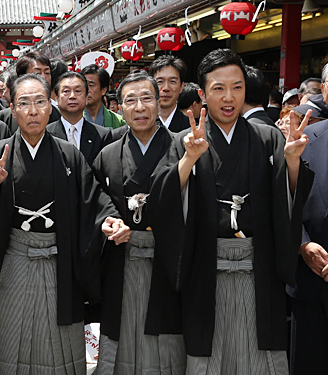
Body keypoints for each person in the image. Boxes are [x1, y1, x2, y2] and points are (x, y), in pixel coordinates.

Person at [149, 48, 313, 374]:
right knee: (207, 358)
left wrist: (292, 160)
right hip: (205, 267)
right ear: (202, 94)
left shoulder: (267, 137)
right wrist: (188, 160)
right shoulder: (184, 139)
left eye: (237, 87)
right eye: (219, 88)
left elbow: (289, 200)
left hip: (258, 266)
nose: (229, 97)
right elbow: (160, 202)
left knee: (260, 357)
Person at [0, 73, 130, 374]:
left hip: (60, 260)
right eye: (24, 103)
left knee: (61, 341)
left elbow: (93, 197)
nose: (33, 111)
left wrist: (110, 220)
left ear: (51, 106)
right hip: (13, 259)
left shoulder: (68, 154)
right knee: (10, 335)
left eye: (40, 102)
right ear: (12, 109)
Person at [92, 70, 186, 374]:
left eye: (147, 98)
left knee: (166, 338)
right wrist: (107, 222)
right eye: (130, 101)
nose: (140, 107)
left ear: (160, 102)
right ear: (119, 108)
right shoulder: (108, 154)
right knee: (122, 333)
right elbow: (97, 201)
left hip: (168, 259)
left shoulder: (183, 148)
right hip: (123, 258)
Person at [287, 64, 328, 374]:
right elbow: (284, 198)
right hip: (310, 279)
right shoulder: (305, 137)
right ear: (324, 90)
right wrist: (302, 243)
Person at [47, 71, 111, 167]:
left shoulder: (102, 135)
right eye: (66, 91)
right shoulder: (46, 134)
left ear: (86, 98)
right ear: (56, 99)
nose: (72, 96)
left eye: (77, 91)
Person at [0, 52, 61, 133]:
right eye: (37, 73)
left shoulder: (58, 114)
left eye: (47, 73)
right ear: (21, 77)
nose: (44, 77)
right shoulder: (4, 117)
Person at [148, 55, 190, 132]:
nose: (166, 88)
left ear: (181, 87)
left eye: (172, 81)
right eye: (160, 82)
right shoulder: (141, 126)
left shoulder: (190, 128)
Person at [81, 64, 125, 129]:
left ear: (103, 90)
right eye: (83, 85)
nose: (86, 89)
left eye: (91, 85)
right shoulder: (72, 118)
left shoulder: (119, 122)